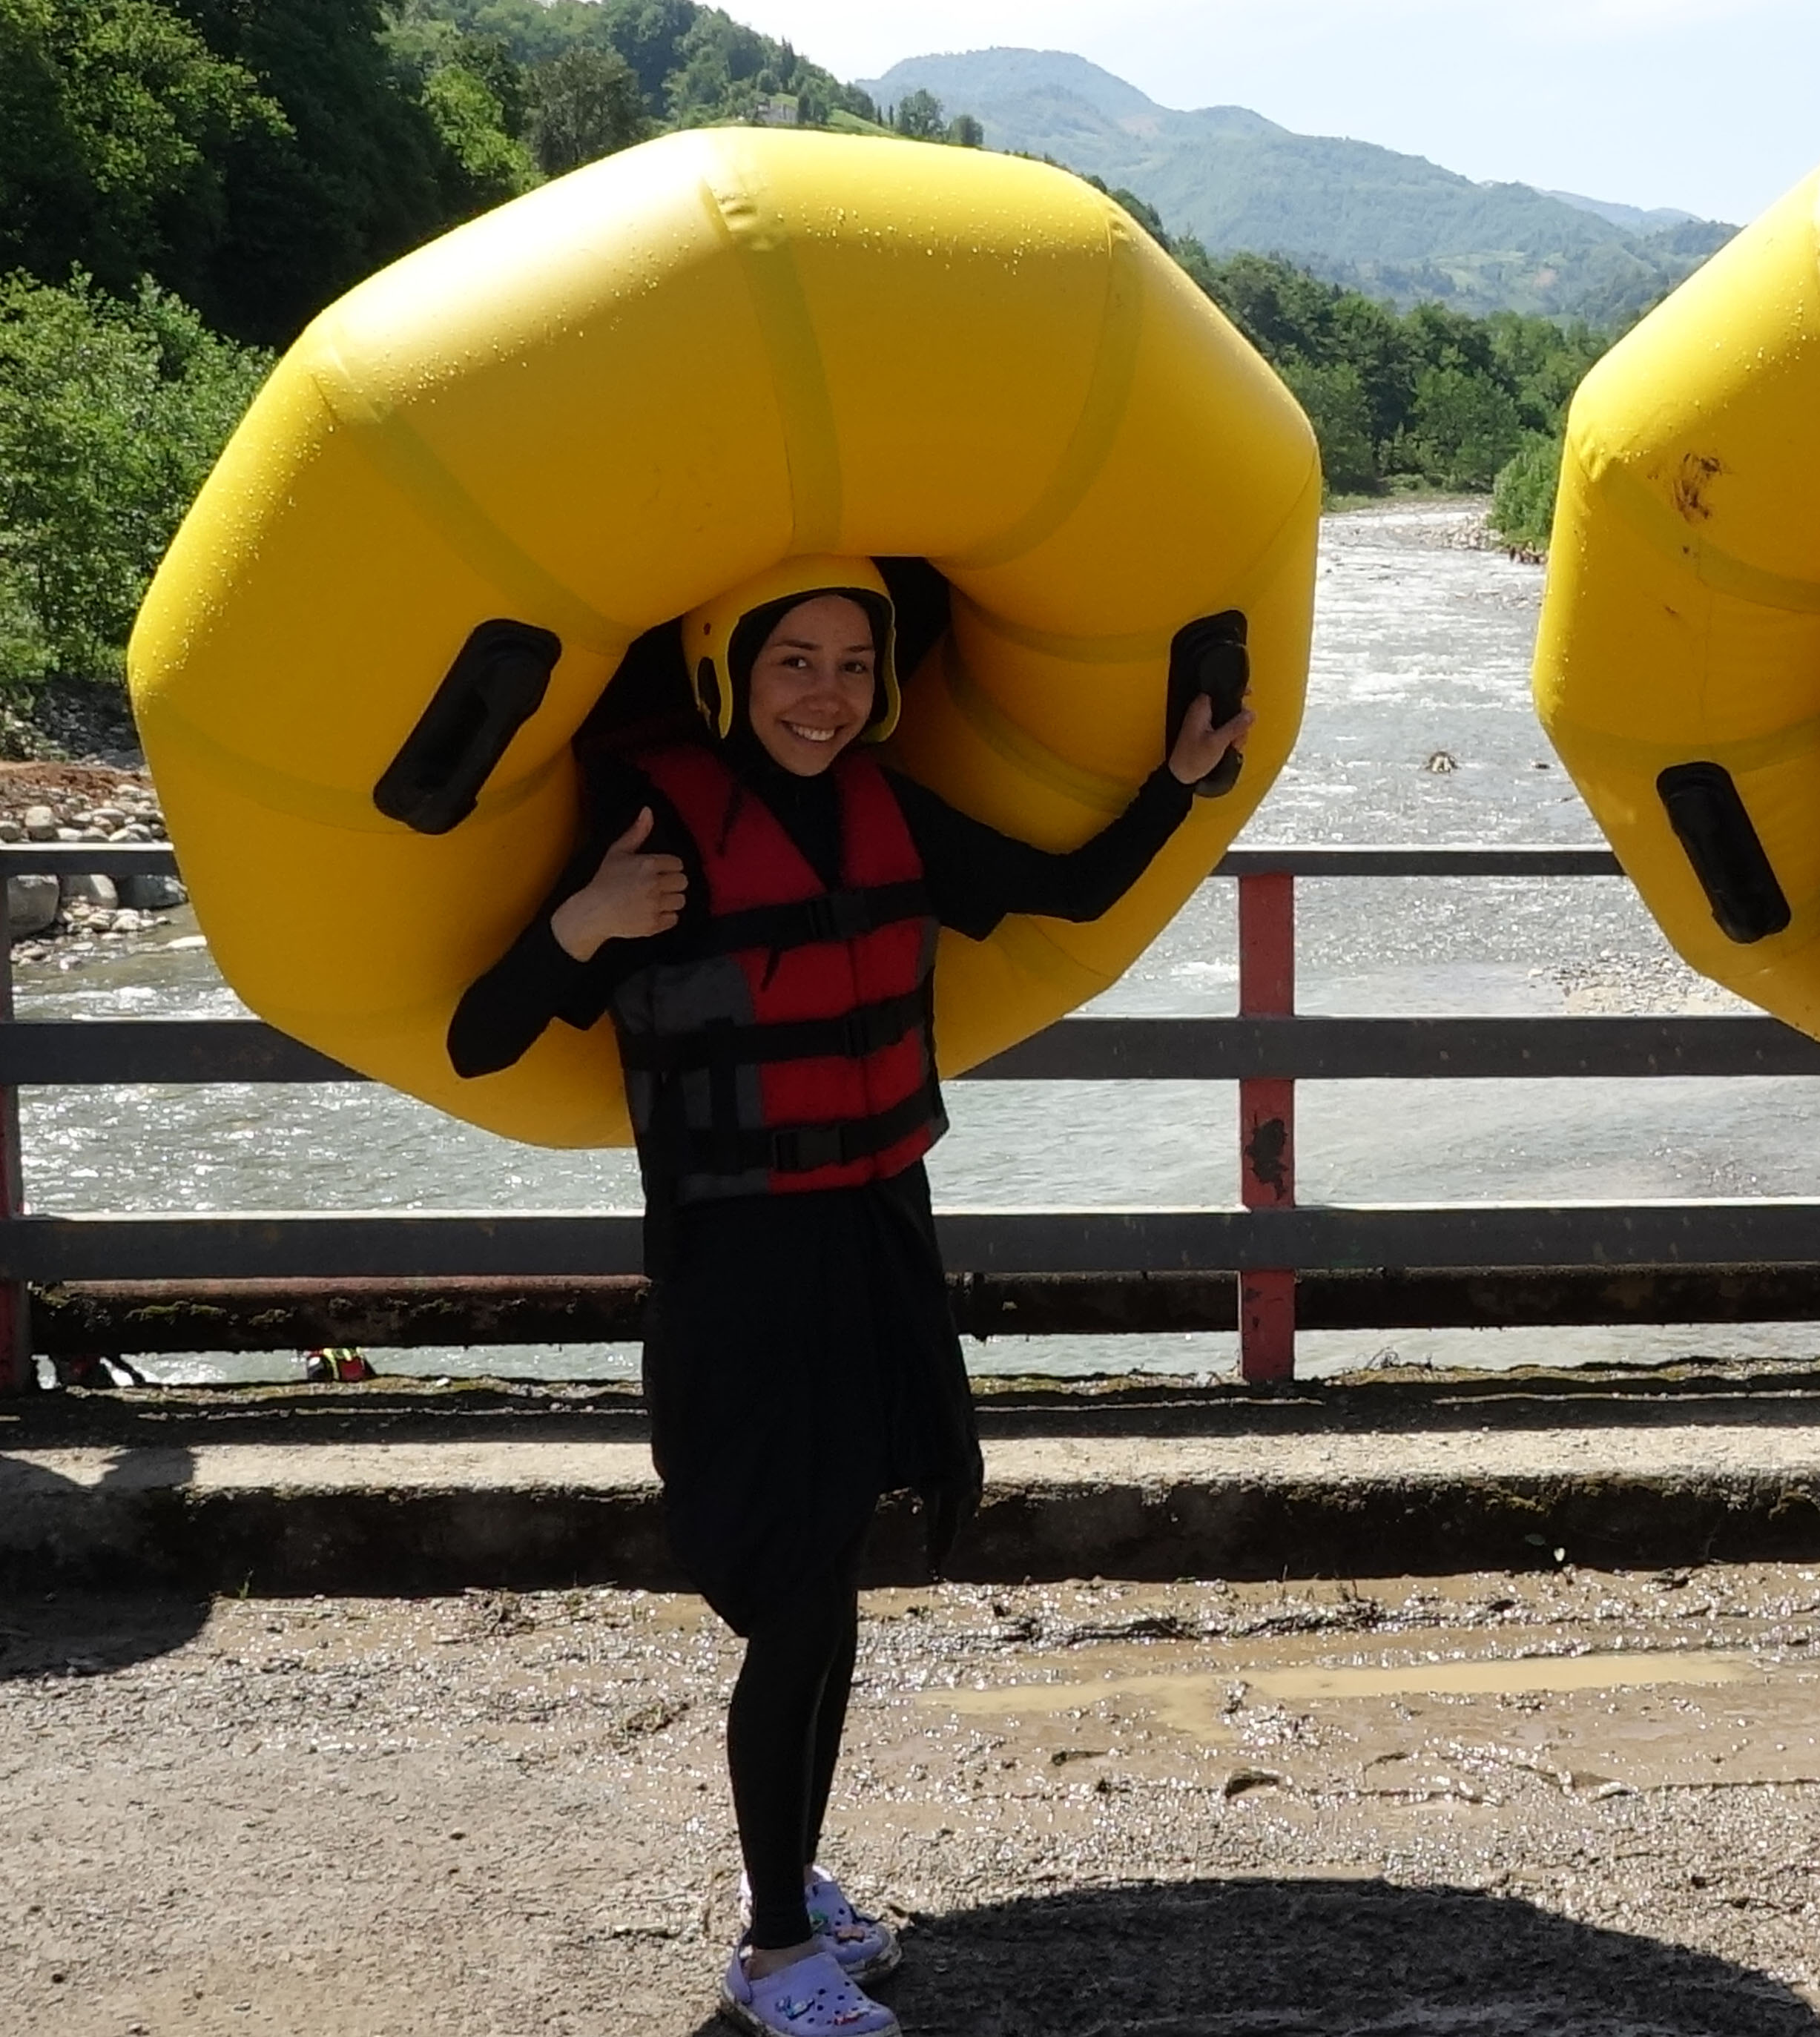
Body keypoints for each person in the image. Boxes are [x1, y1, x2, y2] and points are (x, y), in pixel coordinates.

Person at [449, 555, 1253, 2036]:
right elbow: (480, 1037)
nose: (826, 696)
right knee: (798, 1592)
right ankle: (771, 1953)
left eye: (853, 664)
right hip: (740, 1261)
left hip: (876, 1228)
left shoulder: (889, 805)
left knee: (838, 1580)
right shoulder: (651, 827)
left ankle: (795, 1888)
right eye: (793, 663)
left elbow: (1067, 889)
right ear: (726, 672)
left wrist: (1179, 785)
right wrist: (588, 918)